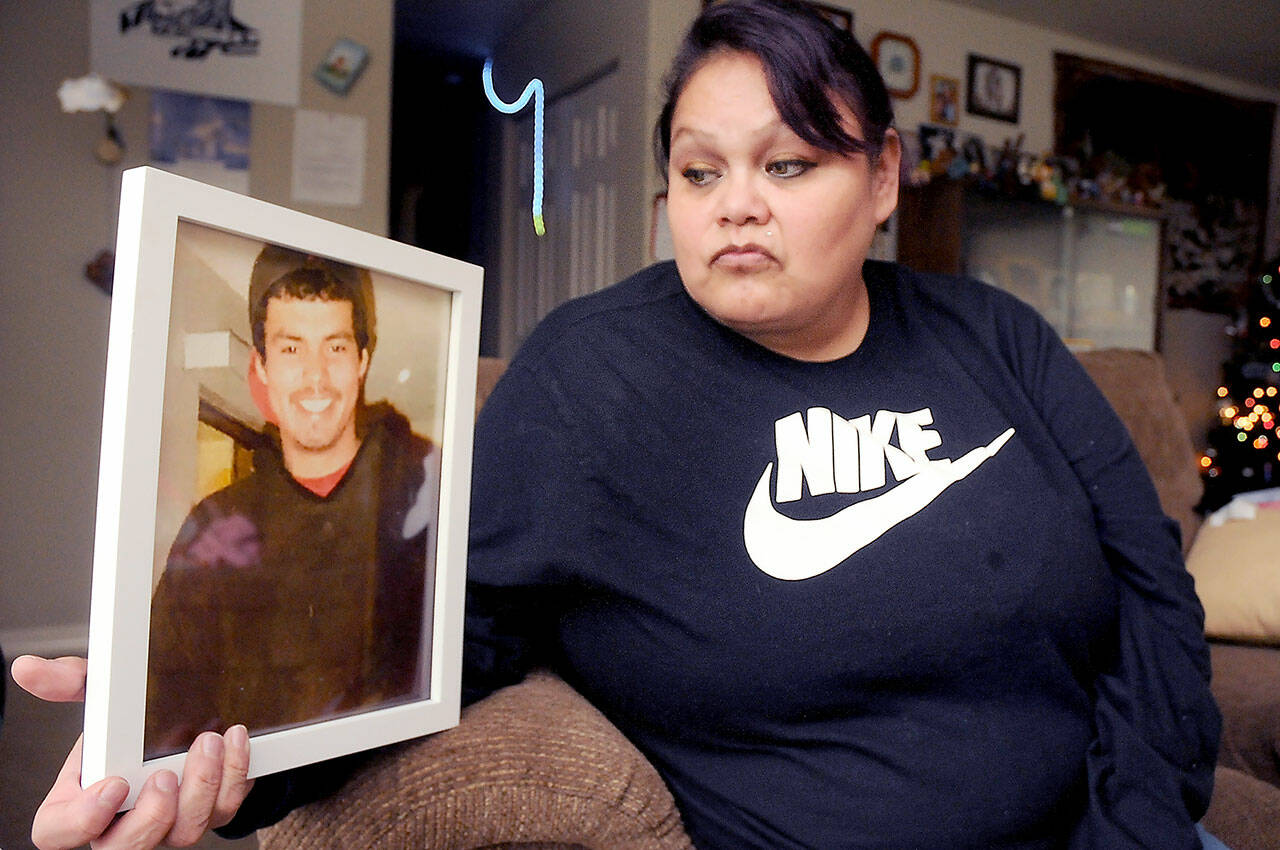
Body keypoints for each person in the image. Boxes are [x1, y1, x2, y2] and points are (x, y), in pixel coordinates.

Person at [14, 1, 1224, 848]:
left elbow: (1150, 585)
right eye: (699, 173)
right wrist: (181, 732)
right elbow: (432, 638)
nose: (736, 206)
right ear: (665, 201)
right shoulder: (591, 380)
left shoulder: (994, 336)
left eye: (790, 163)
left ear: (883, 178)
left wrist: (1141, 821)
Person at [145, 244, 441, 755]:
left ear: (363, 360)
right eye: (290, 349)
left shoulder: (428, 488)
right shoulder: (215, 524)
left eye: (336, 347)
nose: (316, 377)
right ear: (261, 366)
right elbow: (165, 695)